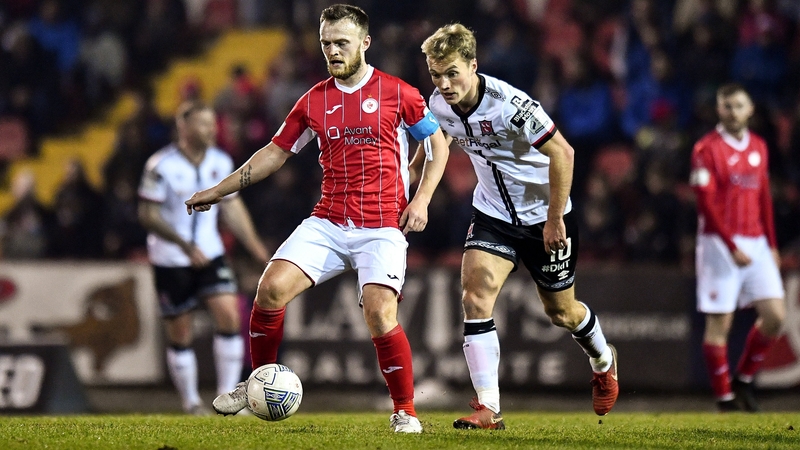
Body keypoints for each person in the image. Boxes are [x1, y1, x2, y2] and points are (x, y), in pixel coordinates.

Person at [185, 4, 449, 433]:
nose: (332, 51)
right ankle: (258, 385)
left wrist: (420, 202)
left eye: (341, 42)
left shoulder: (399, 93)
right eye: (326, 43)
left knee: (381, 313)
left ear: (365, 43)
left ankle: (405, 410)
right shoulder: (314, 100)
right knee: (269, 289)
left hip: (381, 225)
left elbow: (439, 147)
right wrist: (219, 189)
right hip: (328, 221)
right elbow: (274, 153)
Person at [416, 24, 619, 429]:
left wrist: (555, 217)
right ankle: (489, 408)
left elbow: (563, 152)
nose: (445, 83)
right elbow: (435, 149)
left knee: (561, 312)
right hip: (492, 215)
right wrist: (412, 189)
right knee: (475, 297)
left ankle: (604, 360)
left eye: (453, 72)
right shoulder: (437, 106)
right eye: (437, 74)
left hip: (547, 217)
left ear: (474, 65)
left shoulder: (511, 105)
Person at [138, 100, 269, 415]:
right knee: (180, 332)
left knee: (229, 316)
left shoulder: (222, 162)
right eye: (203, 124)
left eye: (213, 124)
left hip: (210, 253)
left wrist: (256, 248)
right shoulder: (160, 166)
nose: (212, 130)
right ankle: (192, 403)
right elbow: (148, 214)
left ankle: (227, 400)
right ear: (183, 127)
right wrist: (184, 245)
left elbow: (233, 208)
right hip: (171, 258)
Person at [689, 83, 785, 412]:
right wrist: (730, 245)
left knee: (775, 316)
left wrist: (771, 243)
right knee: (721, 325)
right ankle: (724, 400)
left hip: (756, 240)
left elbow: (763, 197)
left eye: (738, 105)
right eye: (726, 106)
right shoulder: (706, 149)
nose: (732, 111)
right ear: (719, 110)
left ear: (750, 109)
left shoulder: (759, 146)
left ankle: (743, 380)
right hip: (719, 243)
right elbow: (706, 203)